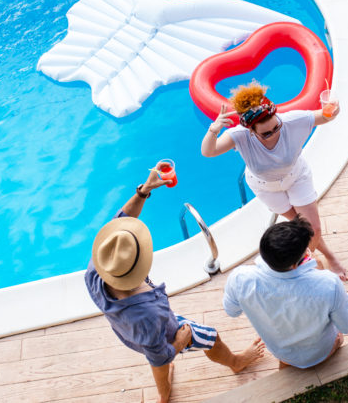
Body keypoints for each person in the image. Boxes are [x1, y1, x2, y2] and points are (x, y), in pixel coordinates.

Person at [85, 162, 264, 403]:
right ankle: (236, 362)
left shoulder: (97, 271)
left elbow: (122, 218)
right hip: (165, 333)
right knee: (211, 337)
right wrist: (178, 344)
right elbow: (158, 355)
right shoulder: (147, 315)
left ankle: (163, 394)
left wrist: (143, 191)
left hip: (129, 333)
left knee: (155, 356)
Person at [201, 81, 348, 280]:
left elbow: (326, 116)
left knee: (314, 229)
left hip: (296, 177)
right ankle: (314, 263)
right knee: (299, 225)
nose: (274, 134)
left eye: (275, 127)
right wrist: (213, 130)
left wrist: (334, 108)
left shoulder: (290, 121)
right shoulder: (240, 136)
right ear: (251, 131)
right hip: (266, 187)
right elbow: (208, 152)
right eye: (266, 133)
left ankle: (322, 260)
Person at [222, 217, 348, 369]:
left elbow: (231, 311)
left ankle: (286, 365)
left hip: (283, 354)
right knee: (319, 264)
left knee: (318, 266)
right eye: (306, 253)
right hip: (322, 351)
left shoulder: (240, 278)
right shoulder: (328, 283)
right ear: (294, 265)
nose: (308, 253)